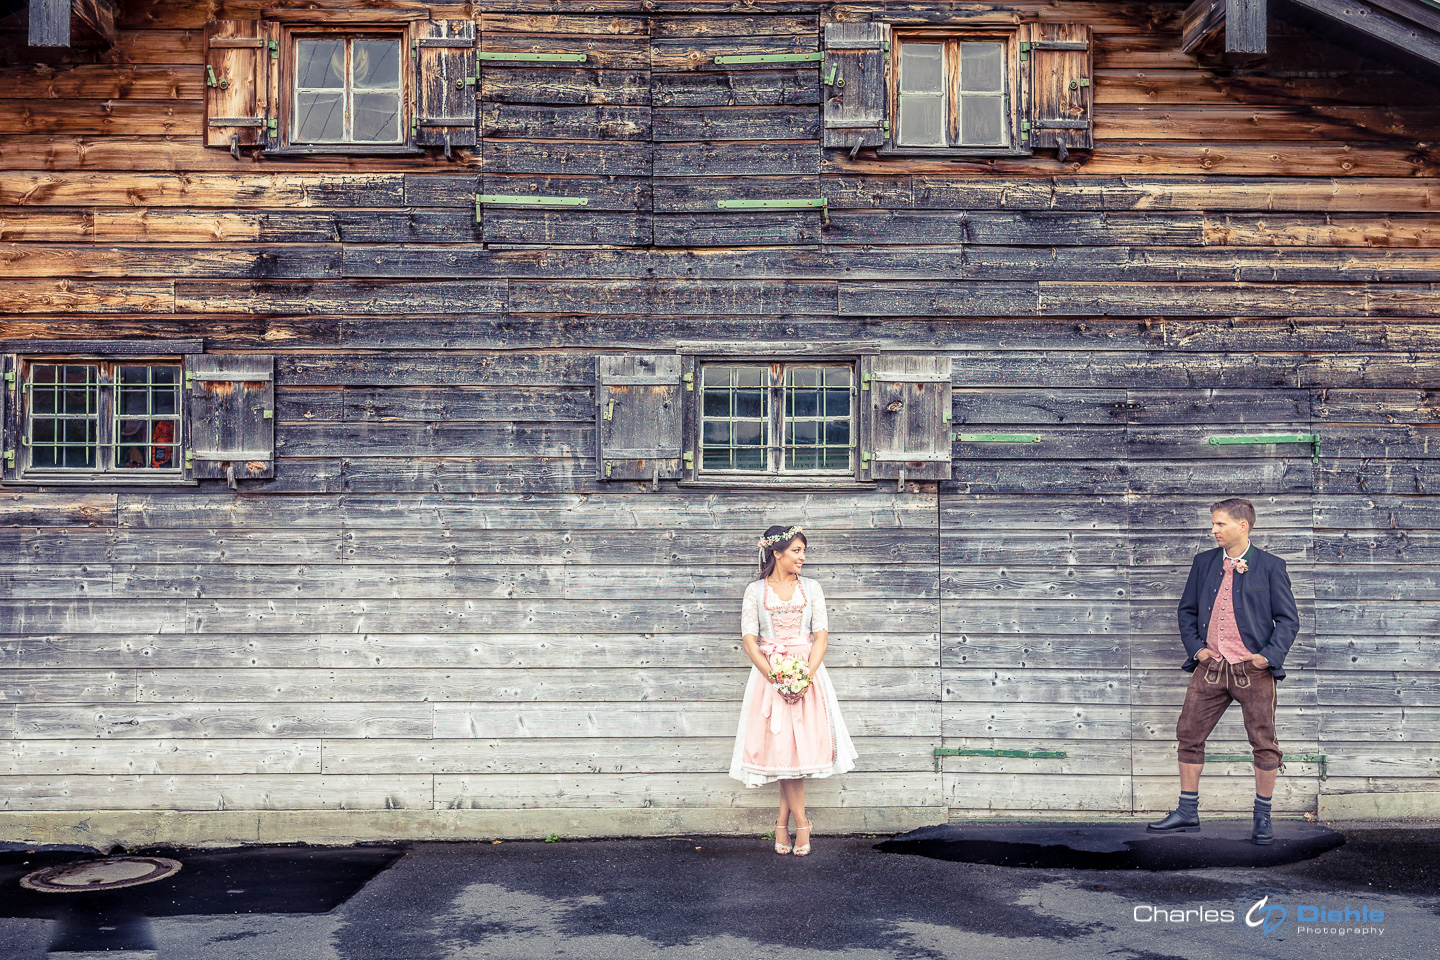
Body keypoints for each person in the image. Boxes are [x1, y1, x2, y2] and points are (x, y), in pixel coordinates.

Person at [1148, 498, 1299, 845]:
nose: (1213, 530)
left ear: (1242, 526)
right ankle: (1187, 812)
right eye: (1213, 524)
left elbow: (1289, 620)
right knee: (1188, 734)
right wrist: (1197, 650)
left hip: (1253, 670)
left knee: (1264, 743)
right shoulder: (1203, 563)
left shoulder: (1271, 566)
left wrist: (1267, 657)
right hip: (1212, 666)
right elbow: (1186, 611)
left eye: (1220, 524)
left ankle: (1262, 818)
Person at [729, 524, 858, 856]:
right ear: (777, 553)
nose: (803, 557)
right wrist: (775, 677)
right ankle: (802, 824)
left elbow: (822, 636)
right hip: (769, 675)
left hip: (807, 673)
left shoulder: (812, 588)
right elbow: (749, 640)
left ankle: (783, 822)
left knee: (795, 752)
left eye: (803, 550)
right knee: (784, 749)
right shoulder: (755, 592)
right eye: (797, 551)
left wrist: (805, 676)